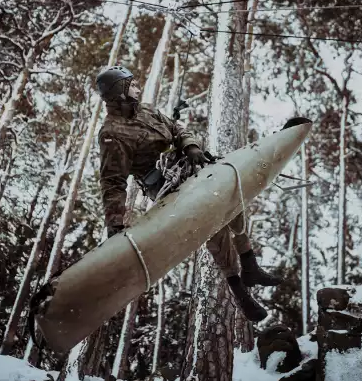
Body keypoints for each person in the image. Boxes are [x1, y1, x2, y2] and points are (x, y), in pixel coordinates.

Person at [95, 65, 283, 322]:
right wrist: (116, 226)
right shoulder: (111, 133)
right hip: (165, 187)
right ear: (120, 92)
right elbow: (112, 183)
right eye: (132, 84)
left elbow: (177, 128)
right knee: (212, 225)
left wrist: (191, 146)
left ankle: (250, 266)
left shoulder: (147, 110)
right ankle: (240, 292)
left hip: (188, 167)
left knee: (231, 198)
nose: (138, 87)